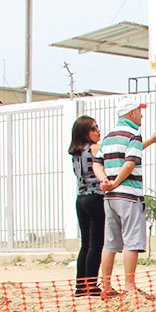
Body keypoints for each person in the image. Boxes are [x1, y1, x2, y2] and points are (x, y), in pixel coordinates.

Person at [98, 96, 156, 296]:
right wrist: (118, 181)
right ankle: (129, 286)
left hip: (110, 197)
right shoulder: (134, 134)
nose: (141, 115)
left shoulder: (109, 137)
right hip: (128, 195)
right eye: (139, 111)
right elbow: (129, 163)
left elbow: (97, 162)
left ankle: (107, 287)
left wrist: (106, 182)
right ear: (132, 113)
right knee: (132, 241)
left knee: (109, 243)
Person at [69, 115, 108, 296]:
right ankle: (92, 284)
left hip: (81, 199)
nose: (98, 130)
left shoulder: (77, 153)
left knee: (85, 244)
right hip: (95, 198)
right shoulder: (94, 148)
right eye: (94, 128)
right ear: (85, 133)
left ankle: (80, 286)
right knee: (95, 243)